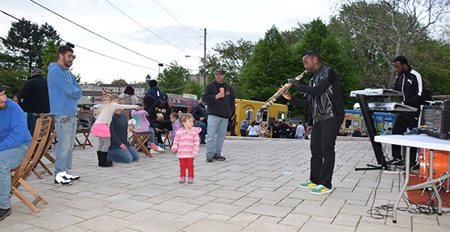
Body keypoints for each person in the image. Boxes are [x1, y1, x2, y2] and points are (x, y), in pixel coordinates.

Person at [282, 51, 344, 194]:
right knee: (315, 149)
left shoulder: (329, 72)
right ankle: (314, 180)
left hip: (332, 115)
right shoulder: (312, 80)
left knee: (327, 148)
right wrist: (291, 98)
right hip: (318, 118)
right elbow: (309, 104)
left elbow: (318, 91)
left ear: (315, 59)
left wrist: (298, 85)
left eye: (306, 62)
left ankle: (326, 184)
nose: (305, 66)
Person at [47, 45, 82, 185]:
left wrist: (75, 91)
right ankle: (59, 174)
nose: (71, 59)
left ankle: (65, 172)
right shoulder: (55, 71)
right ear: (61, 55)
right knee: (63, 145)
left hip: (71, 113)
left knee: (69, 146)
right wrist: (75, 91)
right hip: (62, 114)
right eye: (69, 56)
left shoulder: (67, 72)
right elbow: (69, 90)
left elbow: (78, 89)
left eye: (72, 57)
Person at [0, 85, 32, 221]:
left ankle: (4, 206)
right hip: (4, 147)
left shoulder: (14, 108)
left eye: (4, 94)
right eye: (0, 95)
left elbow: (18, 135)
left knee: (1, 162)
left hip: (21, 146)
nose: (4, 98)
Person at [390, 56, 425, 167]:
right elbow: (395, 92)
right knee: (396, 132)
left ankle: (411, 162)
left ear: (404, 64)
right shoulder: (399, 78)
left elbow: (420, 94)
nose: (396, 69)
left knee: (413, 135)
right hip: (402, 110)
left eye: (397, 66)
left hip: (414, 110)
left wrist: (407, 103)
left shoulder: (415, 75)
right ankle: (397, 158)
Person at [91, 94, 138, 167]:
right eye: (119, 102)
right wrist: (135, 106)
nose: (120, 104)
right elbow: (112, 132)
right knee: (106, 144)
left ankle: (101, 161)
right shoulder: (112, 108)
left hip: (98, 125)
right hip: (106, 130)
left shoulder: (110, 107)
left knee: (101, 144)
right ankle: (105, 159)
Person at [202, 68, 235, 162]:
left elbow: (232, 101)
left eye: (220, 74)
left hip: (225, 116)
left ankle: (217, 154)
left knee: (220, 137)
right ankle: (209, 155)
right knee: (211, 136)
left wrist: (231, 112)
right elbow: (204, 98)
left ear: (224, 75)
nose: (218, 76)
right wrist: (215, 97)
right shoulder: (210, 86)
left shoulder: (228, 87)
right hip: (213, 114)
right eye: (216, 74)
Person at [171, 113, 201, 184]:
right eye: (190, 121)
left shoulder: (194, 132)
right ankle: (182, 177)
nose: (192, 123)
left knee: (190, 166)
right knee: (182, 166)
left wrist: (195, 150)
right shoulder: (179, 132)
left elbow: (196, 142)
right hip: (181, 153)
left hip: (190, 153)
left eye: (192, 121)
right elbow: (176, 141)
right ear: (184, 123)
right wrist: (174, 147)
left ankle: (191, 177)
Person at [18, 68, 50, 135]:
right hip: (46, 115)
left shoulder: (30, 82)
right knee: (42, 135)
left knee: (31, 135)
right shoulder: (48, 83)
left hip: (33, 114)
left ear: (33, 73)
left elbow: (21, 95)